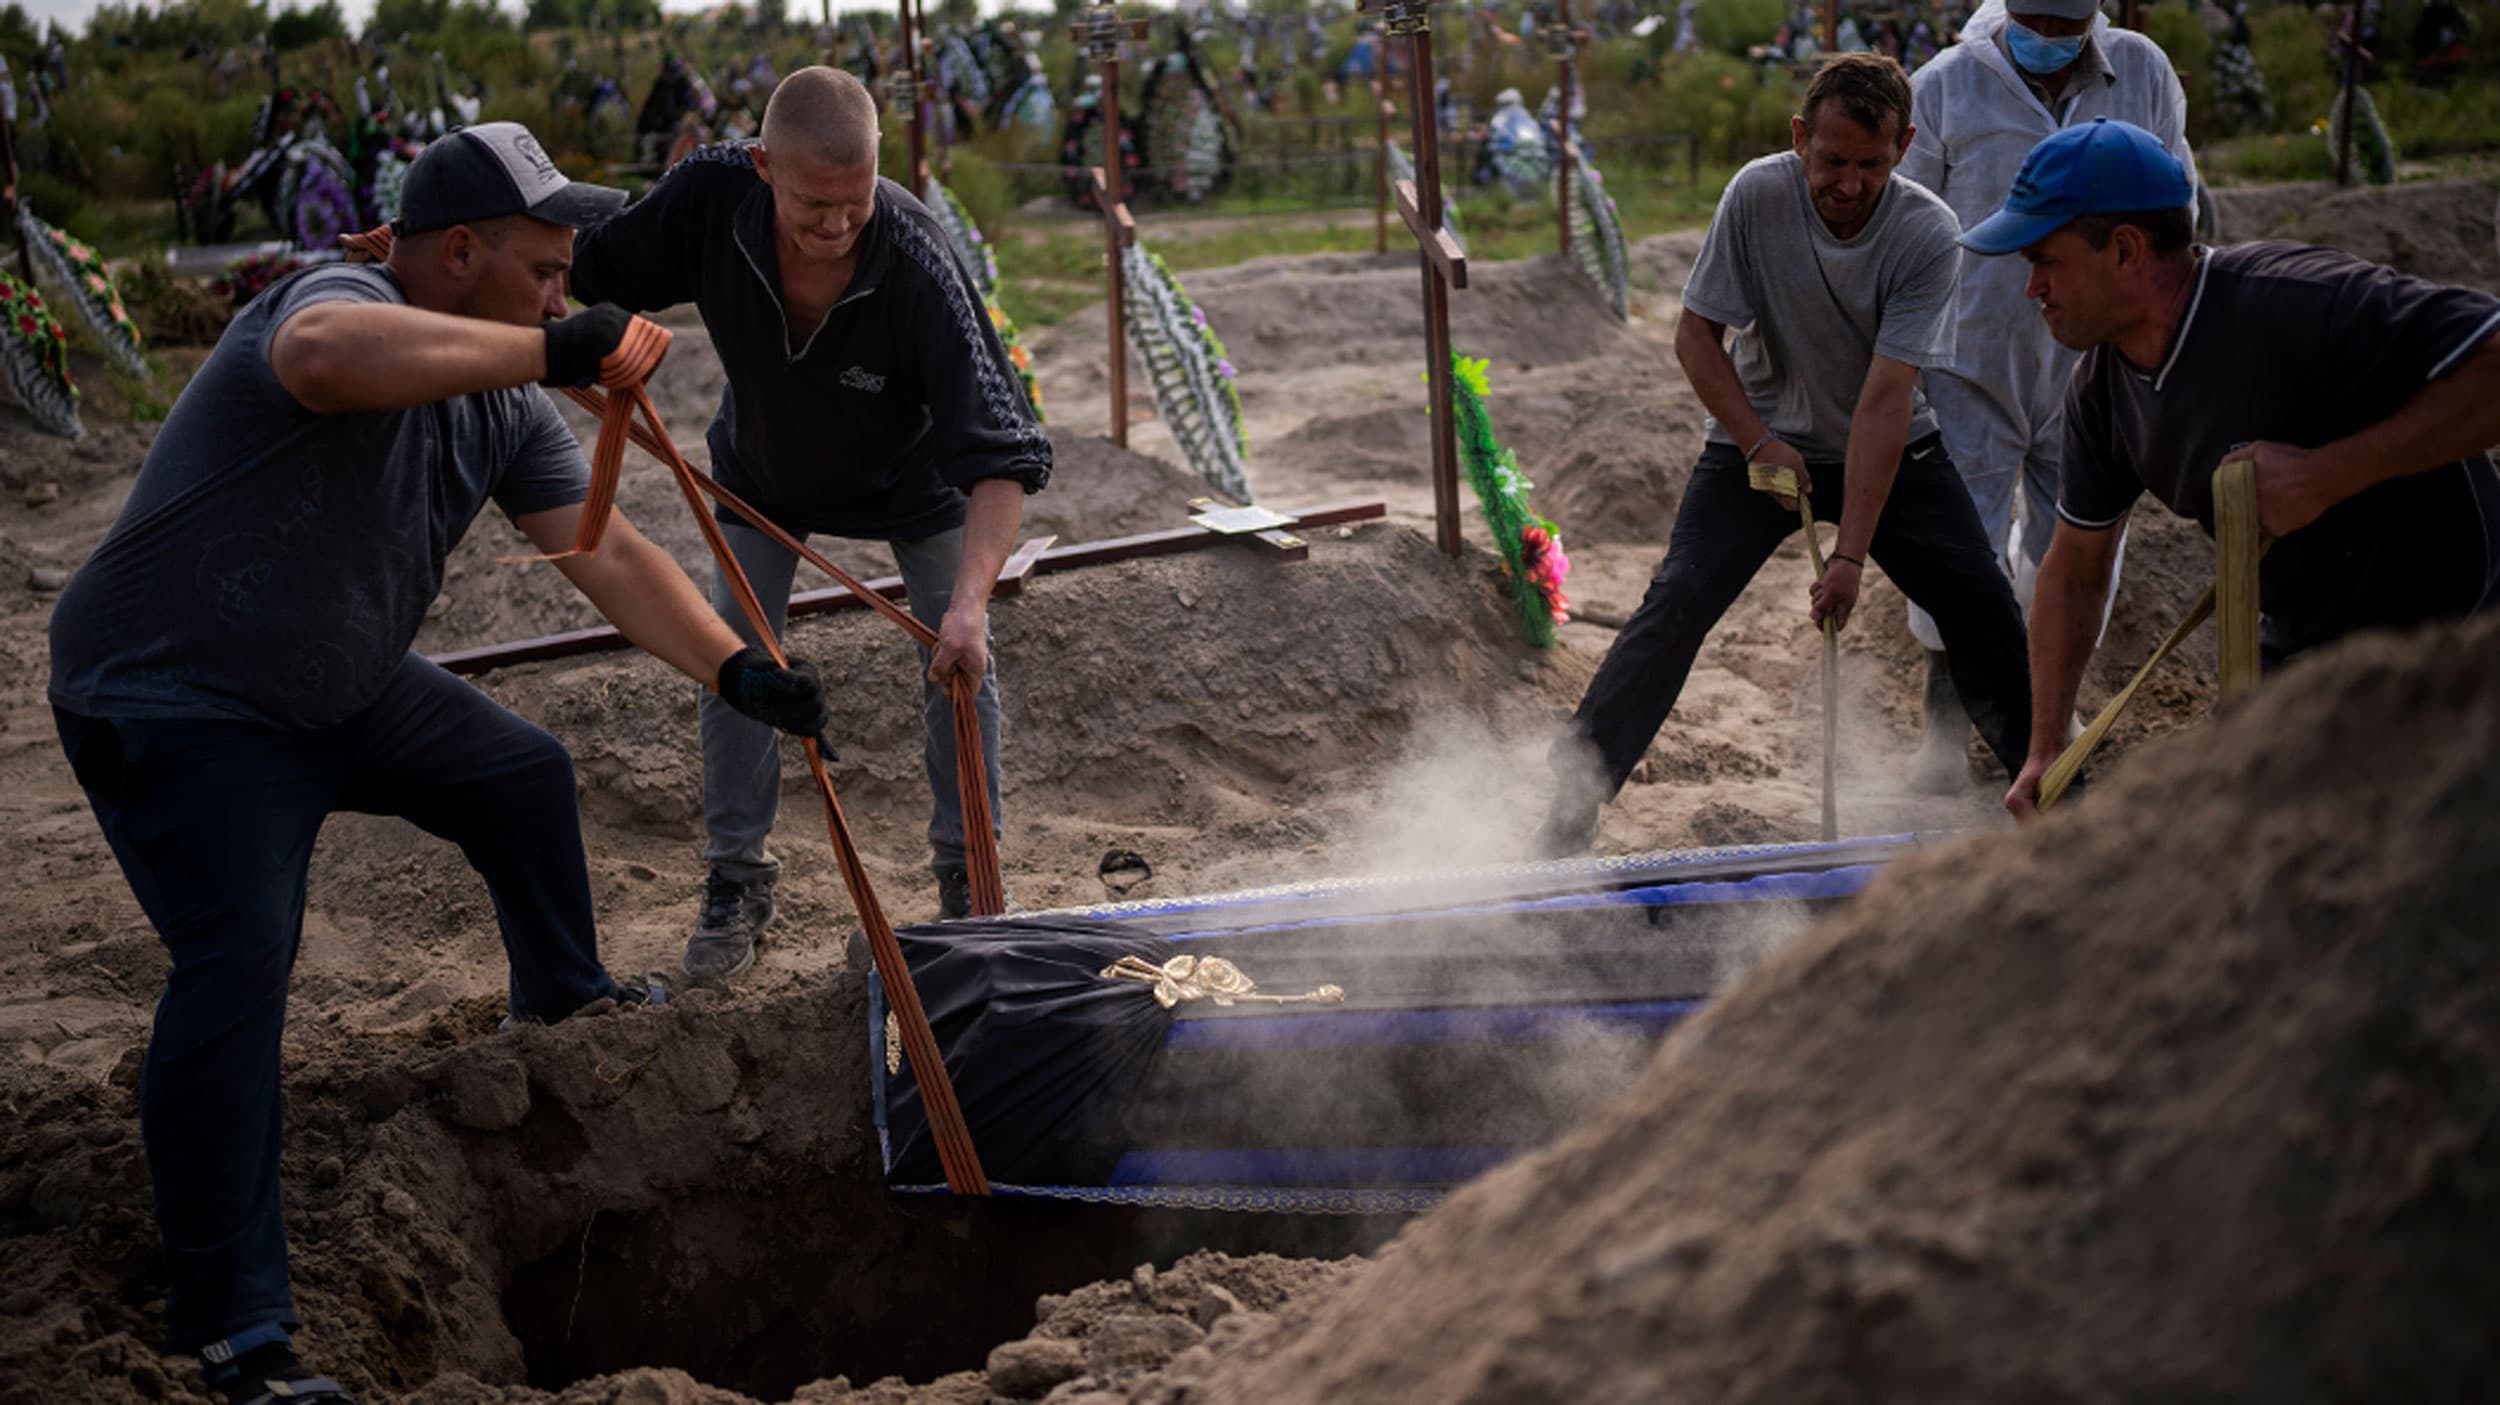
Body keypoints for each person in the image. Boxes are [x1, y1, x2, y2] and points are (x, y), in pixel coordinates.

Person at [44, 124, 837, 1404]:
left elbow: (605, 551)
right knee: (239, 963)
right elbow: (322, 360)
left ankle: (560, 997)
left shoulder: (502, 400)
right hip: (177, 701)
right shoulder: (336, 298)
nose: (562, 298)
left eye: (570, 278)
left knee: (521, 774)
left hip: (335, 690)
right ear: (457, 253)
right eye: (541, 271)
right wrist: (552, 349)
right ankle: (232, 1328)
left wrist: (736, 667)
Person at [566, 66, 1050, 981]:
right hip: (765, 476)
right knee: (734, 657)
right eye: (812, 204)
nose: (835, 228)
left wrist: (972, 606)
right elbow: (582, 266)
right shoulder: (709, 195)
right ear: (761, 165)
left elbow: (1001, 454)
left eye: (854, 204)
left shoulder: (915, 254)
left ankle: (968, 882)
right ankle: (737, 883)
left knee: (960, 661)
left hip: (915, 483)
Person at [1537, 54, 2033, 853]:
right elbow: (1696, 338)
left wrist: (1850, 557)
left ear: (1903, 147)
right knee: (1676, 602)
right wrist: (1757, 439)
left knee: (1983, 607)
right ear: (1801, 137)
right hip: (1758, 441)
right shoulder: (1756, 196)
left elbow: (1882, 404)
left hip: (1892, 449)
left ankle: (2055, 792)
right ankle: (1569, 806)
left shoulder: (1928, 233)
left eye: (1871, 165)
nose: (1849, 182)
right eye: (1833, 159)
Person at [1967, 119, 2500, 817]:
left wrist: (2326, 474)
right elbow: (2075, 571)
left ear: (2125, 249)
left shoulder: (2296, 304)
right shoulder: (2100, 392)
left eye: (2046, 260)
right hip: (2309, 648)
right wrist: (2044, 748)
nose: (2032, 287)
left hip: (2459, 630)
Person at [1895, 0, 2197, 791]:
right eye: (2038, 23)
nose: (2053, 44)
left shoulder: (2142, 71)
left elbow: (2181, 204)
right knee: (1961, 550)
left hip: (2096, 361)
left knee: (2082, 543)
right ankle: (1945, 723)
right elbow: (1907, 226)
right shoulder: (1947, 88)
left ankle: (2050, 715)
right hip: (1971, 354)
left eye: (2070, 29)